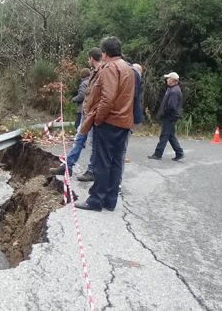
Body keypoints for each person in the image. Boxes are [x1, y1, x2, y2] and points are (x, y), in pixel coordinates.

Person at [75, 36, 135, 212]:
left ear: (104, 52)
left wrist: (98, 119)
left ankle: (95, 200)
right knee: (116, 163)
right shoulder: (127, 68)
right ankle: (110, 201)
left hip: (109, 121)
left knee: (102, 163)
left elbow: (107, 98)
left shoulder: (109, 68)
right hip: (124, 122)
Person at [49, 48, 102, 176]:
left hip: (94, 115)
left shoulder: (103, 72)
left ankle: (91, 171)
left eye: (88, 58)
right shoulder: (94, 73)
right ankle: (68, 166)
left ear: (92, 58)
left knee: (93, 144)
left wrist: (98, 115)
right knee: (79, 139)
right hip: (87, 114)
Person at [148, 72, 184, 161]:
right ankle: (179, 153)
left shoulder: (174, 91)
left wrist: (164, 112)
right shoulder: (173, 89)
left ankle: (157, 154)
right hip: (171, 116)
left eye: (168, 78)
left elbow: (172, 106)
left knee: (164, 136)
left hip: (170, 117)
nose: (167, 80)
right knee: (170, 136)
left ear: (173, 80)